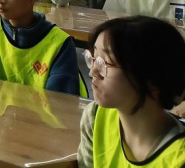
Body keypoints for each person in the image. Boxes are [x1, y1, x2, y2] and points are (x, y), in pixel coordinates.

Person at [78, 16, 185, 167]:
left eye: (106, 62)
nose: (93, 72)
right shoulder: (95, 117)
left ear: (153, 79)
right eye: (94, 58)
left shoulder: (179, 158)